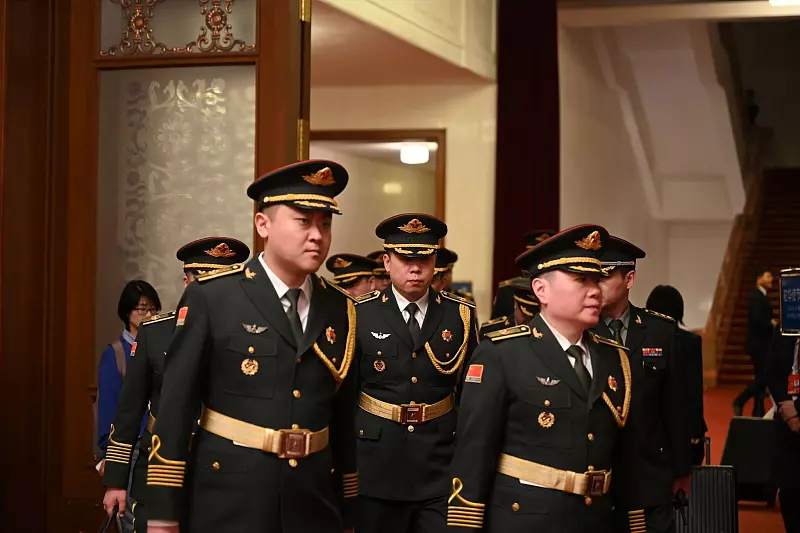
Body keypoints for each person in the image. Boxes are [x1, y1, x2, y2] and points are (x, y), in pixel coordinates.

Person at [146, 160, 359, 533]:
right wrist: (163, 514)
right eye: (303, 222)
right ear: (263, 225)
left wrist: (348, 508)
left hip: (313, 502)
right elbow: (176, 407)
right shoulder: (214, 297)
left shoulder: (340, 307)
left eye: (325, 224)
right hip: (230, 500)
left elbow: (342, 419)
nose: (317, 236)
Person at [447, 225, 631, 532]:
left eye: (596, 280)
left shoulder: (614, 357)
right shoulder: (503, 354)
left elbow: (627, 458)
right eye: (580, 280)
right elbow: (473, 454)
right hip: (527, 520)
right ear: (541, 290)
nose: (595, 291)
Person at [101, 237, 250, 530]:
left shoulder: (253, 336)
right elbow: (129, 411)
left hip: (228, 472)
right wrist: (115, 481)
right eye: (204, 283)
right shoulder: (155, 333)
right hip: (161, 465)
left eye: (224, 284)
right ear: (187, 283)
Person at [354, 213, 478, 533]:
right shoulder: (359, 313)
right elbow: (346, 394)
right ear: (387, 262)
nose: (415, 268)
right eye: (406, 259)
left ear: (434, 262)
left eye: (424, 259)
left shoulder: (459, 315)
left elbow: (471, 398)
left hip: (438, 463)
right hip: (376, 463)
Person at [595, 237, 691, 533]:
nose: (595, 285)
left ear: (629, 279)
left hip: (649, 474)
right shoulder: (582, 328)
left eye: (604, 276)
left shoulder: (660, 331)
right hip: (597, 474)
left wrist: (682, 470)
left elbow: (675, 405)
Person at [97, 280, 161, 533]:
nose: (149, 315)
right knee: (132, 520)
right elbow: (108, 408)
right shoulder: (117, 353)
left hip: (158, 448)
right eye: (142, 309)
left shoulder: (160, 350)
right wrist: (109, 453)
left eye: (153, 309)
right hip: (130, 449)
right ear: (126, 312)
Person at [646, 284, 707, 466]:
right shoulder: (690, 342)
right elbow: (694, 388)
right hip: (682, 425)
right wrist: (695, 428)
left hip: (651, 426)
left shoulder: (642, 340)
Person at [766, 323, 800, 532]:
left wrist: (797, 409)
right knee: (788, 493)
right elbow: (771, 372)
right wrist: (787, 409)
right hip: (787, 424)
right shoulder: (784, 329)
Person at [733, 268, 776, 417]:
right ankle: (740, 400)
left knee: (760, 377)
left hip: (762, 343)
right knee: (764, 377)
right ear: (759, 279)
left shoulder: (762, 296)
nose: (771, 279)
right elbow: (758, 319)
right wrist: (771, 323)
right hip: (759, 344)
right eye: (768, 276)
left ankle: (758, 411)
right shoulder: (756, 296)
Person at [491, 229, 555, 320]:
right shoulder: (509, 290)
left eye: (547, 258)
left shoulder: (563, 288)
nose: (541, 263)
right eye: (535, 257)